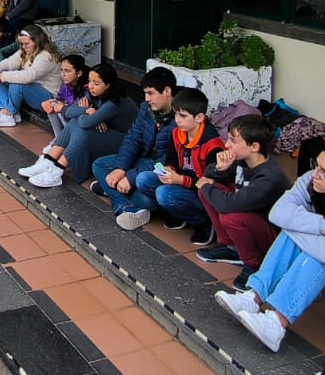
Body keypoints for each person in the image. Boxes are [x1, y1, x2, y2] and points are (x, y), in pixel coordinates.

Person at [217, 145, 325, 352]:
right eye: (317, 165)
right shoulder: (312, 179)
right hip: (317, 258)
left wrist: (297, 224)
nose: (316, 174)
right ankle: (253, 297)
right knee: (292, 233)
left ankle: (277, 322)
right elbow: (277, 213)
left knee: (311, 250)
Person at [192, 114, 291, 285]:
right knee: (207, 193)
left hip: (273, 237)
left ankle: (254, 264)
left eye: (233, 140)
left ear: (254, 146)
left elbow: (228, 205)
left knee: (229, 214)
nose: (226, 145)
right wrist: (219, 169)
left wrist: (207, 186)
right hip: (251, 220)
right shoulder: (243, 161)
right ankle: (231, 248)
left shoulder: (269, 177)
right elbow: (208, 176)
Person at [20, 62, 138, 187]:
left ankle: (57, 170)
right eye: (90, 81)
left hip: (125, 142)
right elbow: (71, 110)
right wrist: (88, 111)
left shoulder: (115, 102)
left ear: (108, 85)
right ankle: (48, 161)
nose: (91, 86)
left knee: (82, 128)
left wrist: (87, 113)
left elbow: (84, 122)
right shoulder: (94, 93)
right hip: (107, 132)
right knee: (76, 122)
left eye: (96, 83)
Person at [90, 67, 178, 231]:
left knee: (145, 198)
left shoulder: (180, 118)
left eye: (151, 93)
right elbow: (133, 138)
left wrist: (130, 177)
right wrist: (120, 168)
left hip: (160, 170)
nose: (147, 99)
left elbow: (167, 162)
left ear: (167, 91)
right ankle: (125, 205)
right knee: (99, 165)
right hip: (142, 160)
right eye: (145, 93)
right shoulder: (146, 108)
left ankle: (113, 191)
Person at [149, 87, 225, 243]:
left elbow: (208, 183)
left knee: (164, 193)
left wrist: (180, 180)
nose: (177, 120)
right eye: (176, 114)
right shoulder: (177, 133)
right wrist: (169, 169)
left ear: (199, 117)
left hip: (202, 194)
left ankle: (204, 222)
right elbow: (171, 158)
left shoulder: (213, 145)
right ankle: (180, 214)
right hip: (181, 182)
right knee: (144, 179)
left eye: (183, 116)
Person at [0, 23, 63, 129]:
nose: (24, 47)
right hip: (32, 92)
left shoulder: (46, 56)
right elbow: (9, 62)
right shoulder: (26, 51)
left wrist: (2, 76)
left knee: (17, 84)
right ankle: (6, 112)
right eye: (22, 44)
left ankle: (10, 114)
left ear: (37, 41)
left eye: (27, 44)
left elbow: (28, 76)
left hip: (49, 97)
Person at [39, 53, 88, 136]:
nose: (63, 74)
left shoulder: (87, 90)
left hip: (80, 124)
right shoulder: (66, 86)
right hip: (68, 118)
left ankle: (66, 139)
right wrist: (44, 104)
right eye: (62, 70)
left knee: (60, 109)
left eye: (67, 71)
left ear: (79, 73)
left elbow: (78, 112)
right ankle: (58, 138)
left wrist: (62, 107)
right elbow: (58, 99)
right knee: (51, 105)